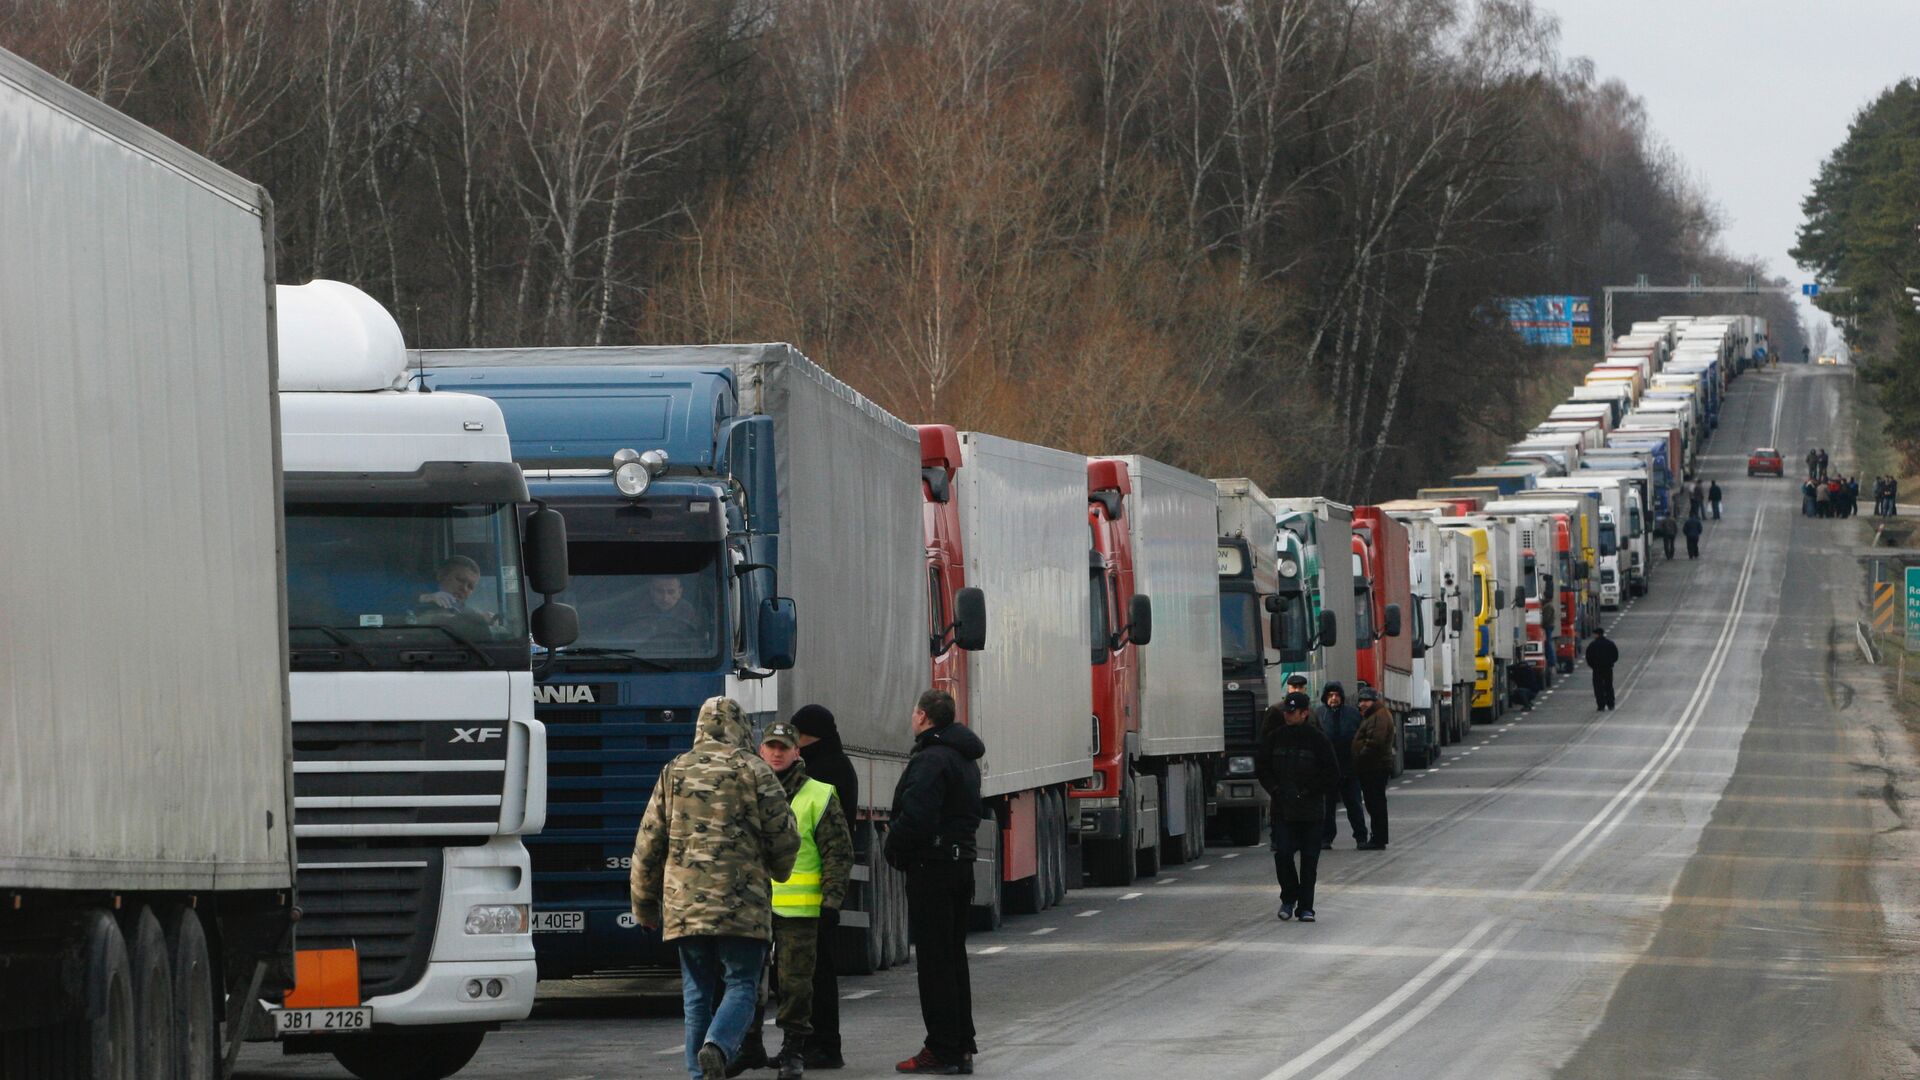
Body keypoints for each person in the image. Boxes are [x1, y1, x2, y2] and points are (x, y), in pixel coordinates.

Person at [631, 697, 801, 1080]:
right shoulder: (755, 770)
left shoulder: (674, 771)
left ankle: (698, 1075)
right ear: (742, 728)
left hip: (684, 905)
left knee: (696, 996)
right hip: (743, 904)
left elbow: (648, 844)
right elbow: (784, 834)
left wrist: (644, 906)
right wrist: (780, 870)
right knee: (742, 985)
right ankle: (718, 1047)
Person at [737, 721, 853, 1080]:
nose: (776, 752)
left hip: (801, 909)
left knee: (795, 984)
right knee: (747, 981)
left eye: (783, 747)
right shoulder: (745, 791)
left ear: (796, 752)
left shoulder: (818, 794)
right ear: (760, 750)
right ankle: (750, 1045)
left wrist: (831, 902)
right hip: (754, 906)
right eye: (770, 746)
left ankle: (793, 1051)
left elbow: (838, 853)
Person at [885, 690, 984, 1075]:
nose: (912, 717)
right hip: (960, 865)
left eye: (914, 711)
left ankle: (940, 1049)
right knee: (953, 958)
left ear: (924, 716)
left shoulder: (930, 760)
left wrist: (895, 846)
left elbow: (918, 816)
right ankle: (961, 1046)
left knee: (934, 963)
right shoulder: (965, 758)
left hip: (933, 867)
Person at [791, 705, 856, 1071]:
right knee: (813, 973)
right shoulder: (835, 764)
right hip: (813, 888)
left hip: (814, 888)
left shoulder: (823, 771)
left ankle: (824, 1045)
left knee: (816, 974)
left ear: (809, 735)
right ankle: (819, 1043)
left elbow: (830, 837)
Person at [1255, 691, 1338, 923]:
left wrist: (1309, 791)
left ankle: (1306, 907)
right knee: (1282, 854)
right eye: (1287, 712)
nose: (1288, 716)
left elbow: (1331, 773)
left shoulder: (1318, 739)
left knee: (1309, 861)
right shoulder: (1276, 737)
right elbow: (1262, 767)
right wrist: (1276, 790)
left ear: (1304, 713)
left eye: (1293, 713)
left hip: (1311, 811)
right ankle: (1289, 897)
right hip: (1283, 809)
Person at [1314, 682, 1367, 849]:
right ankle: (1326, 838)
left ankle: (1361, 837)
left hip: (1349, 767)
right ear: (1325, 697)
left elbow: (1362, 736)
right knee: (1327, 807)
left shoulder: (1352, 714)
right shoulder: (1319, 714)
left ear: (1342, 697)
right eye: (1330, 695)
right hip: (1328, 769)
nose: (1334, 699)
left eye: (1336, 695)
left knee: (1354, 804)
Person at [1349, 687, 1395, 850]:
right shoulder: (1374, 715)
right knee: (1374, 803)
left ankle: (1378, 838)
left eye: (1367, 700)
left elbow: (1375, 743)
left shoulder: (1378, 716)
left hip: (1375, 767)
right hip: (1372, 766)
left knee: (1376, 804)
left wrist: (1359, 757)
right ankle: (1377, 837)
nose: (1363, 704)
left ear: (1374, 701)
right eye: (1361, 701)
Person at [1585, 627, 1619, 711]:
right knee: (1609, 685)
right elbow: (1615, 655)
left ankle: (1601, 705)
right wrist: (1610, 663)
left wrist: (1593, 666)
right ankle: (1611, 703)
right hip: (1608, 668)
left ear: (1596, 634)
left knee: (1598, 687)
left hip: (1597, 669)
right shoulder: (1610, 644)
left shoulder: (1592, 645)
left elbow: (1588, 657)